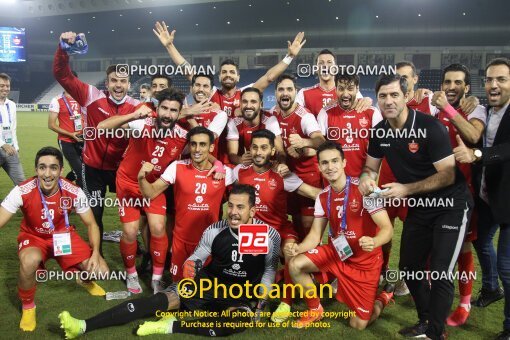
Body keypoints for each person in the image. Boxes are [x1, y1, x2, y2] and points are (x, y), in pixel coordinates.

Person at [58, 184, 281, 338]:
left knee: (238, 323)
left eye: (240, 207)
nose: (232, 212)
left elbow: (269, 270)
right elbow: (198, 257)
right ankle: (83, 325)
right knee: (157, 302)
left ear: (253, 210)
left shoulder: (269, 236)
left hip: (238, 294)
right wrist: (191, 264)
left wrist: (261, 300)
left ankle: (170, 326)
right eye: (230, 205)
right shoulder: (215, 230)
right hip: (206, 285)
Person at [360, 74, 472, 339]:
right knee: (410, 267)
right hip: (420, 206)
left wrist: (406, 189)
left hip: (450, 204)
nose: (388, 101)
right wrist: (366, 178)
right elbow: (369, 167)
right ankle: (425, 321)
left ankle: (435, 332)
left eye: (394, 95)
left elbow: (447, 174)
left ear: (406, 96)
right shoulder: (379, 132)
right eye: (383, 96)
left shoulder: (430, 127)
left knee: (441, 271)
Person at [284, 141, 393, 329]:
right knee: (295, 263)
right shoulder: (322, 196)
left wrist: (374, 241)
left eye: (334, 161)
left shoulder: (365, 190)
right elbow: (315, 234)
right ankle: (314, 309)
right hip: (337, 254)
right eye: (324, 163)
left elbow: (387, 229)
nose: (330, 167)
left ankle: (383, 297)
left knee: (358, 324)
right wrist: (298, 248)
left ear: (344, 163)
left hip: (365, 263)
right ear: (318, 167)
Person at [0, 147, 108, 331]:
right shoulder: (22, 190)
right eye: (42, 167)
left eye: (53, 168)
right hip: (34, 237)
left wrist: (96, 253)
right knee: (29, 261)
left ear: (60, 169)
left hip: (63, 236)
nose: (47, 173)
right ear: (36, 170)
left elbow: (91, 224)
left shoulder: (73, 190)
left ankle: (83, 278)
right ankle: (28, 307)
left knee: (101, 271)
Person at [54, 31, 141, 254]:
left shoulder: (137, 106)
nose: (118, 85)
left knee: (134, 213)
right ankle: (97, 253)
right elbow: (62, 75)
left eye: (123, 81)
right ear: (107, 81)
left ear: (129, 83)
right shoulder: (90, 95)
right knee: (96, 212)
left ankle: (139, 249)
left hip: (122, 170)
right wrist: (63, 49)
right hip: (92, 167)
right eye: (114, 81)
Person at [96, 88, 189, 294]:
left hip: (154, 187)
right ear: (157, 109)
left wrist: (217, 167)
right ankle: (131, 274)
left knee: (158, 227)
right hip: (129, 183)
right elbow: (102, 126)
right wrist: (133, 114)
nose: (168, 114)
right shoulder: (141, 124)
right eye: (164, 108)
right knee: (130, 231)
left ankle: (156, 279)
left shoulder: (183, 136)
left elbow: (203, 149)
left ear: (179, 113)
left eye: (173, 110)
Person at [232, 129, 321, 322]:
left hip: (280, 229)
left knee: (290, 251)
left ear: (273, 151)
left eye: (264, 148)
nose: (258, 152)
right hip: (253, 232)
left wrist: (346, 192)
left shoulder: (283, 174)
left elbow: (313, 193)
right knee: (251, 271)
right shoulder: (239, 172)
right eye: (255, 147)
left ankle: (286, 302)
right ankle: (255, 298)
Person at [453, 57, 510, 340]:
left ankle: (509, 327)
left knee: (507, 266)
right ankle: (490, 288)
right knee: (481, 241)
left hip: (508, 200)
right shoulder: (483, 108)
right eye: (489, 79)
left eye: (501, 79)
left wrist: (476, 155)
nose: (494, 85)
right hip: (487, 195)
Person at [138, 126, 235, 282]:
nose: (197, 149)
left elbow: (246, 192)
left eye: (202, 144)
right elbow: (150, 193)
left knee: (204, 288)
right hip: (181, 242)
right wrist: (141, 178)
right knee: (179, 285)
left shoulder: (225, 173)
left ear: (211, 147)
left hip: (209, 243)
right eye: (193, 144)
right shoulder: (177, 168)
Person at [431, 63, 486, 326]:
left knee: (464, 249)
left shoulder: (475, 108)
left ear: (466, 87)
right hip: (434, 192)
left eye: (457, 83)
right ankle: (435, 290)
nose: (451, 87)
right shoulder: (434, 108)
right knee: (434, 246)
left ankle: (464, 303)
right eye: (447, 82)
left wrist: (449, 109)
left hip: (462, 195)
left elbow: (474, 135)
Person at [271, 74, 326, 240]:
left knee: (308, 225)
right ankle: (294, 262)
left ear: (296, 92)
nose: (285, 93)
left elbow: (320, 141)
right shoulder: (273, 114)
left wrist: (303, 142)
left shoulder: (305, 116)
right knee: (294, 221)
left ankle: (312, 262)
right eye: (281, 89)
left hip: (308, 174)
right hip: (287, 173)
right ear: (275, 93)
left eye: (289, 89)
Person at [317, 73, 382, 177]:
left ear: (357, 89)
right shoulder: (325, 113)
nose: (345, 94)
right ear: (336, 89)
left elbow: (380, 149)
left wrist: (367, 177)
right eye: (341, 89)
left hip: (363, 180)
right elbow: (319, 147)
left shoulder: (372, 113)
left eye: (350, 89)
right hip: (335, 181)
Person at [296, 49, 371, 116]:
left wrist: (368, 100)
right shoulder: (304, 93)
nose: (325, 66)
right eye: (321, 63)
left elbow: (362, 105)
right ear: (316, 69)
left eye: (329, 62)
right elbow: (292, 113)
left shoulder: (348, 91)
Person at [227, 87, 285, 165]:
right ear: (240, 104)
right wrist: (240, 160)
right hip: (246, 165)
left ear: (261, 104)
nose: (248, 105)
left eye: (253, 102)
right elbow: (232, 154)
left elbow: (280, 151)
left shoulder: (270, 120)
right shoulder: (234, 122)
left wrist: (281, 164)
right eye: (244, 102)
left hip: (268, 165)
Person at [48, 72, 85, 188]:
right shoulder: (57, 100)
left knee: (83, 170)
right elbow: (51, 125)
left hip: (82, 140)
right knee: (80, 172)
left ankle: (60, 186)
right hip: (66, 141)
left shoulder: (83, 98)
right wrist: (70, 134)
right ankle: (82, 200)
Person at [0, 72, 25, 185]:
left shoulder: (12, 105)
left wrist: (16, 146)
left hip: (11, 149)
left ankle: (23, 203)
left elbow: (13, 128)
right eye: (2, 86)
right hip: (3, 146)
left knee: (22, 184)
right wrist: (2, 144)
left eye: (7, 86)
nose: (5, 88)